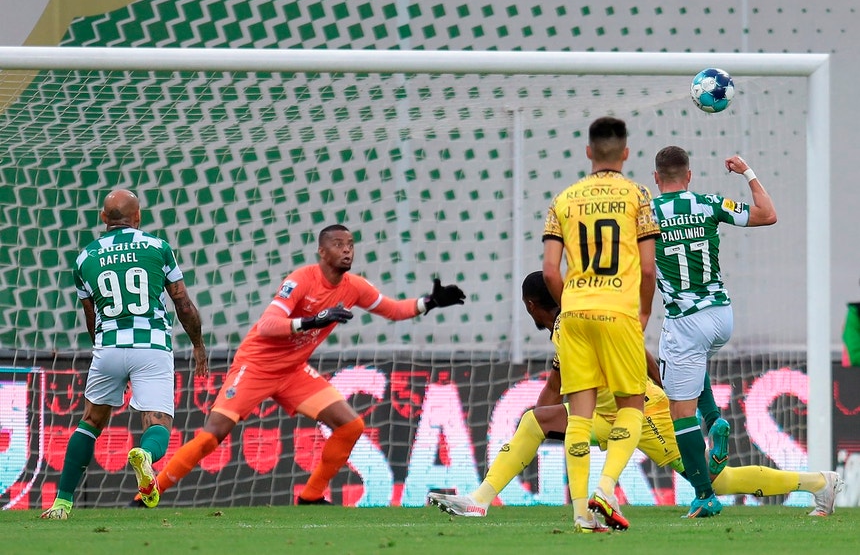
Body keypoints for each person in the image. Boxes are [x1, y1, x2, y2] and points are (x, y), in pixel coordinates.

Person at [428, 271, 844, 520]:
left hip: (641, 414)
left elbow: (630, 355)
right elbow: (553, 397)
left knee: (717, 481)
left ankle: (818, 483)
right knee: (534, 420)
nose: (529, 314)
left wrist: (663, 392)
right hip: (607, 417)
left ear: (533, 304)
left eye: (528, 308)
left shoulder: (573, 324)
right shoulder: (567, 328)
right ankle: (480, 500)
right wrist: (533, 434)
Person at [132, 224, 465, 507]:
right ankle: (148, 493)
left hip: (292, 371)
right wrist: (312, 320)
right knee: (213, 435)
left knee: (351, 426)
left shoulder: (354, 287)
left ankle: (311, 496)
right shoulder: (302, 280)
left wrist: (429, 302)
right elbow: (267, 325)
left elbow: (392, 309)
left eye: (350, 245)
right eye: (338, 245)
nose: (346, 250)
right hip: (256, 366)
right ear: (322, 251)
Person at [41, 189, 208, 520]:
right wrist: (198, 345)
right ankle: (145, 455)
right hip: (152, 346)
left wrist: (103, 350)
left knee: (90, 422)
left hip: (109, 347)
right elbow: (183, 304)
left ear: (103, 218)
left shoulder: (85, 258)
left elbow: (91, 316)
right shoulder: (158, 248)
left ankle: (62, 503)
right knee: (158, 423)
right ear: (138, 216)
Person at [542, 116, 660, 532]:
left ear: (588, 151)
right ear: (625, 153)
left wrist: (571, 304)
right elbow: (648, 268)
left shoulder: (563, 199)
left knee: (579, 415)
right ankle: (606, 490)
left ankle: (581, 514)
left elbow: (550, 271)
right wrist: (643, 311)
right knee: (632, 405)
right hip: (618, 311)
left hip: (574, 313)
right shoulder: (637, 195)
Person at [651, 146, 778, 518]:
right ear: (689, 176)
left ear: (656, 178)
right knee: (695, 361)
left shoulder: (647, 214)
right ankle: (714, 420)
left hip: (684, 320)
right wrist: (747, 172)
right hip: (722, 315)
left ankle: (704, 494)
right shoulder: (710, 204)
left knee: (679, 413)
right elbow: (768, 214)